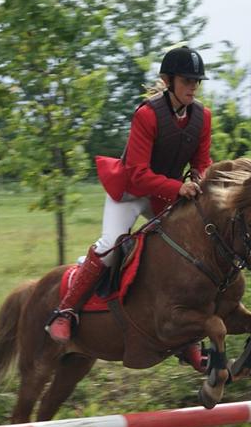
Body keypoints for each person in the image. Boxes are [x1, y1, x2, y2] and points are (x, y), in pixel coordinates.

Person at [45, 46, 213, 369]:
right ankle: (65, 310)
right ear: (168, 80)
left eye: (196, 81)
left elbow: (201, 163)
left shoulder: (202, 117)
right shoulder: (147, 114)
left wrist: (198, 180)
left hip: (166, 194)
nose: (193, 86)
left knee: (188, 251)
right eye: (186, 80)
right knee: (111, 247)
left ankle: (188, 339)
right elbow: (138, 173)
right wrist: (179, 186)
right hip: (132, 191)